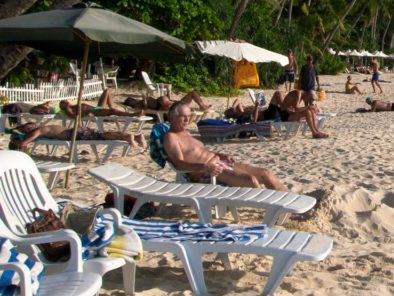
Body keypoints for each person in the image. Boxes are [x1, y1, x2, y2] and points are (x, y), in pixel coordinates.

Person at [163, 102, 287, 190]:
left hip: (219, 163)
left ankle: (293, 205)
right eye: (183, 117)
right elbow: (179, 163)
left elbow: (201, 153)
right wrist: (205, 167)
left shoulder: (187, 133)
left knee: (266, 173)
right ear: (172, 117)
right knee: (251, 180)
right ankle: (274, 207)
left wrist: (221, 155)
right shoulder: (171, 137)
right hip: (207, 173)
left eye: (189, 116)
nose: (187, 120)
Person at [9, 121, 146, 150]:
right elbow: (27, 139)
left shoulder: (38, 130)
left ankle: (129, 136)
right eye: (27, 126)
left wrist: (19, 143)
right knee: (101, 134)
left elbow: (26, 142)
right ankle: (136, 136)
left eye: (30, 124)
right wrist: (18, 137)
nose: (31, 125)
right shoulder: (38, 129)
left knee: (102, 135)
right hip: (76, 132)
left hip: (75, 134)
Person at [258, 90, 329, 139]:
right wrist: (308, 107)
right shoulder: (298, 94)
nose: (309, 102)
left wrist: (311, 107)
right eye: (309, 100)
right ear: (307, 95)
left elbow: (295, 109)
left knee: (311, 111)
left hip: (290, 113)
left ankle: (317, 131)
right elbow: (296, 109)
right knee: (307, 111)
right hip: (285, 115)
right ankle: (314, 133)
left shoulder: (302, 95)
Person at [59, 88, 143, 118]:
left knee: (106, 91)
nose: (66, 101)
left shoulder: (73, 106)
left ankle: (111, 109)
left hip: (97, 108)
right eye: (64, 102)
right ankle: (132, 115)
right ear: (63, 106)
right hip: (96, 112)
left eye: (65, 100)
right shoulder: (71, 111)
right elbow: (76, 117)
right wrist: (86, 115)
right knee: (112, 111)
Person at [123, 90, 212, 112]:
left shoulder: (138, 101)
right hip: (160, 106)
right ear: (129, 103)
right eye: (130, 100)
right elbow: (145, 110)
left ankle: (202, 106)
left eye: (131, 99)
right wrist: (145, 101)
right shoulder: (136, 106)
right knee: (163, 100)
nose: (132, 100)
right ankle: (181, 106)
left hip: (166, 102)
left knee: (192, 93)